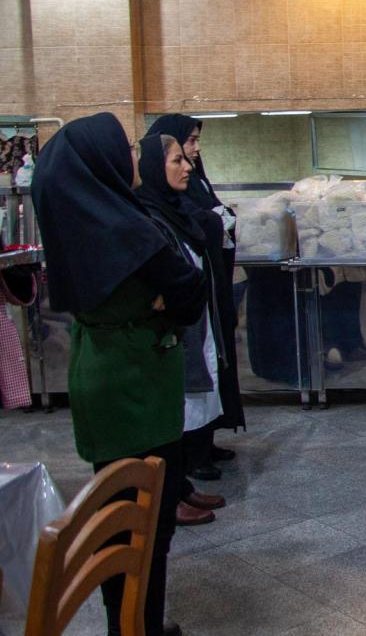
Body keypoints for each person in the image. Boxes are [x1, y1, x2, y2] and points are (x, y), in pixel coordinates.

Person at [32, 112, 207, 636]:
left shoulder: (77, 223)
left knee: (117, 512)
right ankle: (137, 626)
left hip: (100, 373)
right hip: (137, 384)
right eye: (127, 148)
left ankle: (128, 623)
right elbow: (190, 291)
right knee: (146, 517)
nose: (134, 156)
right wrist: (165, 302)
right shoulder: (128, 227)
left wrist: (164, 299)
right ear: (103, 161)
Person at [135, 134, 230, 528]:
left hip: (192, 321)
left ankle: (179, 484)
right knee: (172, 414)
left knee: (185, 409)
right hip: (168, 334)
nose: (188, 166)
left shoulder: (174, 211)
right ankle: (169, 494)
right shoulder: (148, 216)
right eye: (177, 159)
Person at [145, 114, 244, 482]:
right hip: (182, 318)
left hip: (204, 300)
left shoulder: (181, 196)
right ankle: (188, 459)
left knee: (210, 369)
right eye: (185, 148)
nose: (191, 159)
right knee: (193, 381)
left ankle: (203, 443)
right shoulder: (151, 213)